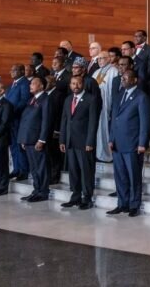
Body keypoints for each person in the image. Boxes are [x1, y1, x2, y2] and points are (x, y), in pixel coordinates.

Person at [107, 70, 150, 217]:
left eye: (126, 78)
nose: (123, 81)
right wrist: (111, 139)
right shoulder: (119, 95)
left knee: (134, 176)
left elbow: (144, 123)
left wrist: (142, 143)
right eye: (122, 78)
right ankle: (122, 203)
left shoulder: (141, 97)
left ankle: (134, 205)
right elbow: (114, 119)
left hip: (133, 144)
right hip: (117, 143)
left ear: (134, 80)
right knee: (120, 176)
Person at [59, 75, 101, 210]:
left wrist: (90, 141)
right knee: (73, 171)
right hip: (70, 141)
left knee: (86, 171)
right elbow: (64, 121)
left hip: (84, 142)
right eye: (73, 83)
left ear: (83, 84)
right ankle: (75, 196)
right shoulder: (68, 99)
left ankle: (87, 198)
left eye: (78, 83)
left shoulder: (91, 99)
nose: (75, 86)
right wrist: (63, 139)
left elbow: (93, 122)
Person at [17, 76, 51, 203]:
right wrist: (23, 139)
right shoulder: (32, 99)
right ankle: (36, 190)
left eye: (33, 83)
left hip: (37, 140)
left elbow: (45, 121)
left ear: (41, 86)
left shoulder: (45, 99)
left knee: (41, 167)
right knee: (34, 167)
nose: (30, 85)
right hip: (28, 139)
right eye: (30, 83)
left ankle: (43, 192)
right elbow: (25, 120)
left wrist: (42, 140)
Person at [5, 63, 30, 180]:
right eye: (11, 70)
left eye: (14, 70)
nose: (11, 72)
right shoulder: (11, 85)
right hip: (11, 120)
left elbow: (24, 101)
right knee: (13, 145)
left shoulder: (25, 83)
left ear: (21, 71)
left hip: (19, 119)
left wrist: (12, 111)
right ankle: (16, 169)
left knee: (20, 145)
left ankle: (23, 171)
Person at [93, 51, 119, 162]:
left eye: (102, 58)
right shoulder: (96, 72)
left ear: (109, 59)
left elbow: (114, 91)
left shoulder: (113, 71)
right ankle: (100, 153)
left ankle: (108, 154)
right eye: (98, 59)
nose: (100, 61)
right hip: (98, 106)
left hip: (108, 105)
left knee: (106, 129)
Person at [44, 75, 66, 185]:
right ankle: (48, 175)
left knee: (54, 154)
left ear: (53, 83)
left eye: (47, 83)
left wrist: (58, 130)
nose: (44, 85)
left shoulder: (59, 95)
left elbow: (60, 114)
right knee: (48, 153)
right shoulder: (45, 95)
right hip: (46, 129)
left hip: (55, 130)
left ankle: (55, 176)